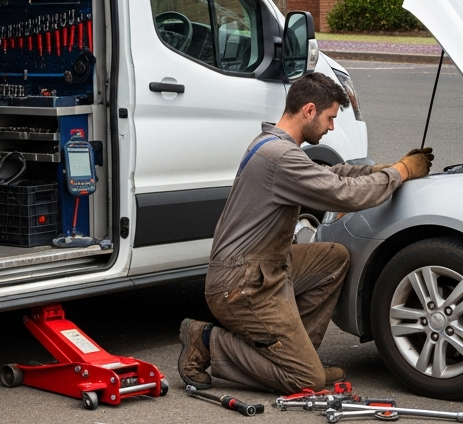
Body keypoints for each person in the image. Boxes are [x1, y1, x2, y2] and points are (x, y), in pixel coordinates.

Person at [178, 71, 432, 394]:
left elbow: (331, 174)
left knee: (334, 258)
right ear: (309, 111)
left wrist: (378, 170)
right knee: (305, 381)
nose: (331, 126)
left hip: (263, 267)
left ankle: (298, 357)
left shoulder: (275, 145)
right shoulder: (280, 157)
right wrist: (400, 172)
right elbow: (346, 194)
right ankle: (205, 342)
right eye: (330, 118)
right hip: (241, 285)